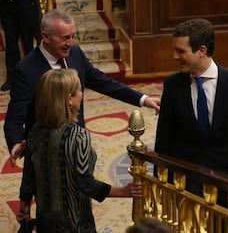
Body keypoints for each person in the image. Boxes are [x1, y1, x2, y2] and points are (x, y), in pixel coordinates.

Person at [4, 9, 161, 166]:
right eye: (65, 38)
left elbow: (103, 82)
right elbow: (14, 118)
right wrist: (16, 142)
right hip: (45, 157)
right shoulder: (26, 70)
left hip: (78, 147)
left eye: (73, 36)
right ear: (45, 37)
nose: (71, 43)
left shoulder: (75, 53)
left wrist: (143, 99)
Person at [154, 18, 228, 217]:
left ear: (201, 51)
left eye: (181, 51)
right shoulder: (172, 85)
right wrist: (161, 183)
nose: (174, 56)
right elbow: (164, 140)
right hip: (186, 181)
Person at [17, 69, 142, 232]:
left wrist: (24, 206)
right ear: (69, 98)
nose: (82, 94)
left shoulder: (35, 131)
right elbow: (86, 184)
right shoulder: (78, 135)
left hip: (45, 222)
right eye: (79, 90)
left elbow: (28, 176)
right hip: (75, 224)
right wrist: (123, 191)